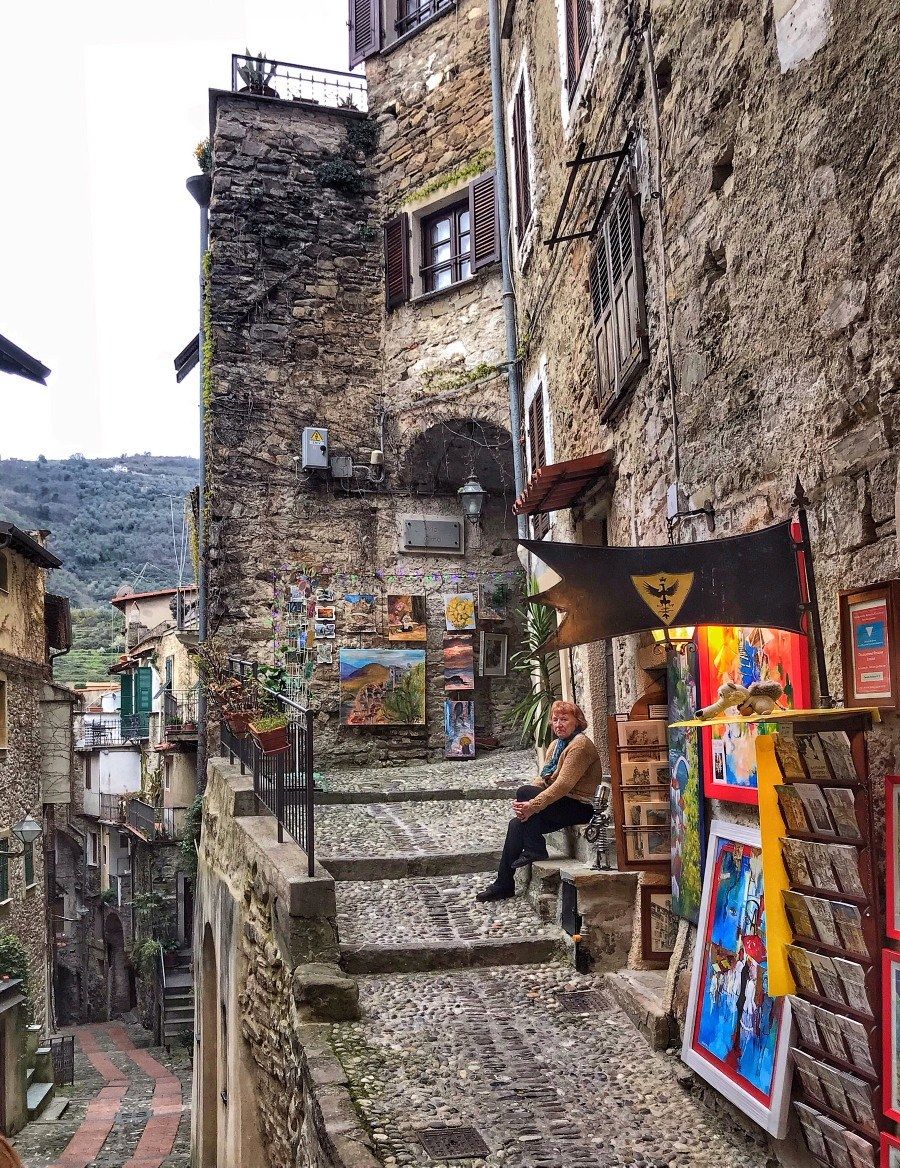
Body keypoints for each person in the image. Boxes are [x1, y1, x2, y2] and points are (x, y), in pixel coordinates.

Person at [476, 700, 603, 902]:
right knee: (516, 824)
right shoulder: (556, 745)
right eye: (555, 720)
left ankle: (535, 847)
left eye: (564, 719)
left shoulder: (580, 746)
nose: (559, 724)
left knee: (525, 792)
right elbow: (542, 778)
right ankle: (504, 884)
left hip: (581, 806)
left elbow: (563, 785)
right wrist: (526, 805)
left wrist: (532, 804)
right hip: (561, 804)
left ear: (577, 722)